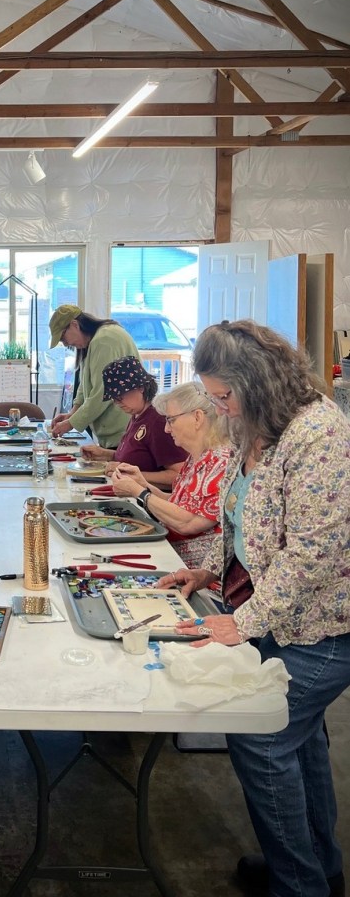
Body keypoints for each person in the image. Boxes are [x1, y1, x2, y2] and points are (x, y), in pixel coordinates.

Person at [158, 320, 350, 897]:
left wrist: (242, 622)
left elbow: (311, 553)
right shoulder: (254, 424)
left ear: (257, 380)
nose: (219, 408)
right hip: (278, 616)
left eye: (223, 396)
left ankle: (301, 886)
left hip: (324, 627)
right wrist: (209, 573)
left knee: (262, 738)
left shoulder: (319, 434)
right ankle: (319, 868)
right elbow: (243, 519)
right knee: (302, 740)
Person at [109, 380, 230, 567]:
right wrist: (142, 484)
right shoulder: (197, 458)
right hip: (171, 554)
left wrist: (139, 492)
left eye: (171, 420)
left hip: (192, 570)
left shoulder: (221, 463)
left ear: (197, 418)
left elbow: (187, 522)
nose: (166, 428)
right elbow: (176, 503)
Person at [81, 355, 187, 488]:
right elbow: (138, 458)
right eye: (114, 399)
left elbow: (179, 475)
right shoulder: (137, 415)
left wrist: (130, 475)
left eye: (120, 396)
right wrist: (105, 454)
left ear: (140, 387)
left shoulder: (158, 421)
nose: (117, 403)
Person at [48, 305, 141, 447]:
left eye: (63, 338)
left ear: (74, 325)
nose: (65, 344)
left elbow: (102, 393)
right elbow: (85, 384)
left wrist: (71, 423)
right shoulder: (93, 341)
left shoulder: (104, 340)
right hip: (114, 433)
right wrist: (72, 414)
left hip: (122, 432)